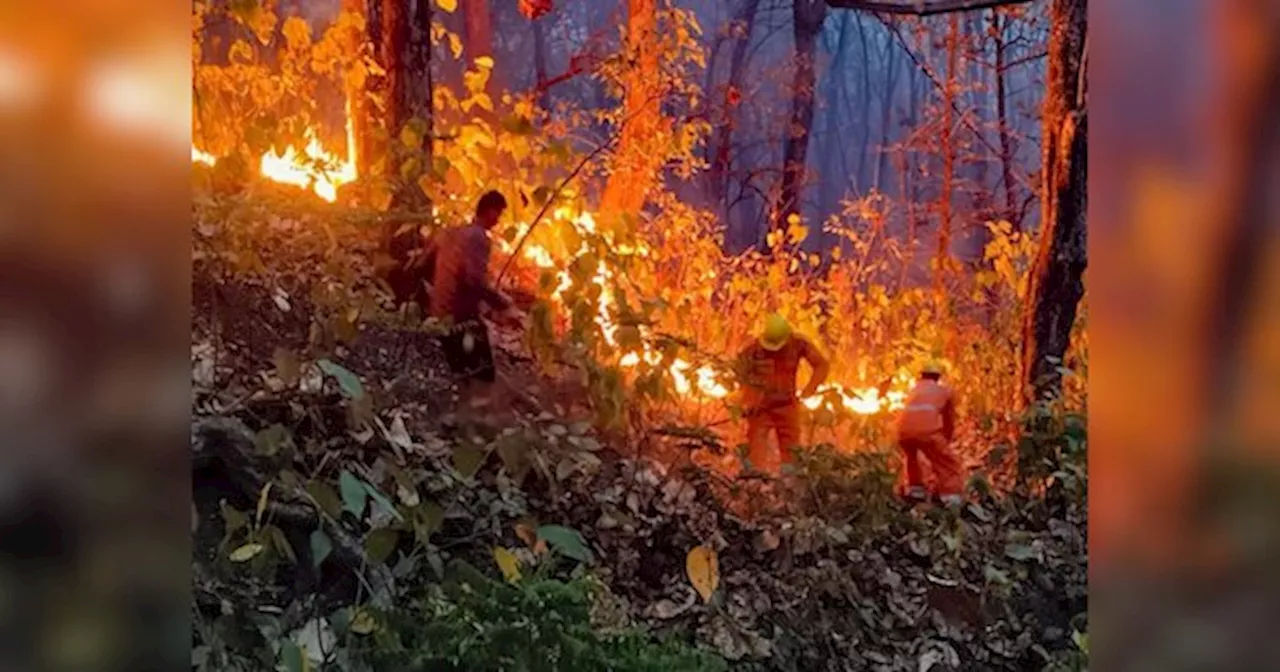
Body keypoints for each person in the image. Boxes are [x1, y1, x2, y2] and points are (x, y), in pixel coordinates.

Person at [428, 191, 518, 416]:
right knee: (483, 373)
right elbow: (474, 282)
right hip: (460, 317)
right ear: (490, 211)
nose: (499, 220)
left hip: (439, 312)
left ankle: (458, 417)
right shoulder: (478, 238)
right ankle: (475, 423)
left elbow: (426, 262)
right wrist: (503, 304)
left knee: (461, 372)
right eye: (499, 213)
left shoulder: (452, 232)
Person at [734, 314, 830, 476]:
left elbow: (821, 365)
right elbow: (739, 373)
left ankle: (788, 486)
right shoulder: (753, 350)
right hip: (760, 407)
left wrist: (811, 388)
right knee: (755, 449)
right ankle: (752, 484)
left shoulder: (799, 344)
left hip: (787, 405)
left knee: (791, 450)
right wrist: (748, 399)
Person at [895, 362, 964, 506]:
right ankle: (950, 496)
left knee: (912, 457)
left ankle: (915, 489)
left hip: (902, 432)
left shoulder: (913, 390)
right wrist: (946, 439)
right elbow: (948, 420)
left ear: (921, 376)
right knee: (947, 462)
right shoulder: (944, 391)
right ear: (938, 377)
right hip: (927, 432)